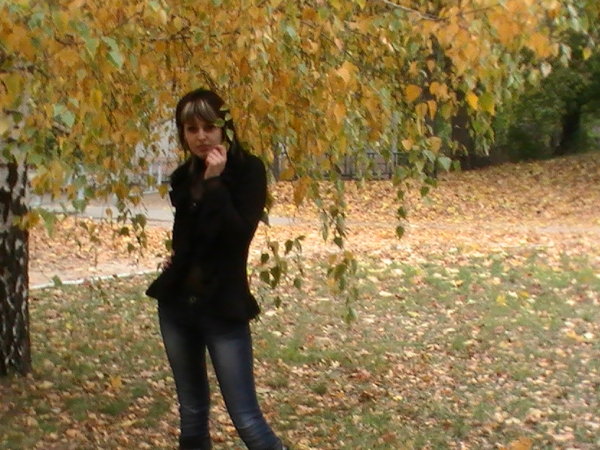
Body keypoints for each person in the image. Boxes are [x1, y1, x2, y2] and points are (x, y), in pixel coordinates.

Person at [146, 88, 287, 450]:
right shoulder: (183, 176)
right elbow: (188, 238)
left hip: (223, 308)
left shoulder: (248, 171)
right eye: (191, 129)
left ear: (225, 128)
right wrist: (178, 260)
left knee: (247, 419)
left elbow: (237, 237)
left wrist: (215, 182)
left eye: (209, 127)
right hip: (177, 307)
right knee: (192, 413)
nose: (201, 137)